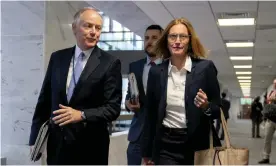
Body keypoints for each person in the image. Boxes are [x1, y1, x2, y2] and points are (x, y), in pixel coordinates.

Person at [29, 7, 122, 165]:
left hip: (91, 149)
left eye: (98, 28)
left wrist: (82, 114)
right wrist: (34, 139)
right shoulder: (58, 58)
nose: (94, 32)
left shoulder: (110, 63)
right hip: (58, 147)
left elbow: (112, 108)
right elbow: (44, 101)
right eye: (88, 26)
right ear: (74, 28)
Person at [141, 18, 221, 165]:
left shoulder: (205, 68)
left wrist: (206, 106)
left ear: (189, 41)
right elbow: (150, 115)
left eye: (183, 37)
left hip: (197, 145)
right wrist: (147, 153)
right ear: (166, 40)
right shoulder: (156, 72)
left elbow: (217, 110)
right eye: (172, 36)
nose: (177, 41)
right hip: (166, 145)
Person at [125, 25, 163, 165]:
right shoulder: (135, 66)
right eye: (146, 38)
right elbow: (129, 95)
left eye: (154, 38)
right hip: (137, 136)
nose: (149, 41)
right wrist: (128, 104)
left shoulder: (170, 66)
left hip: (162, 137)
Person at [259, 78, 276, 164]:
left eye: (275, 83)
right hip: (270, 119)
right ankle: (266, 157)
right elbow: (269, 101)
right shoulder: (272, 92)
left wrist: (273, 99)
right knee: (267, 139)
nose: (274, 85)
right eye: (274, 83)